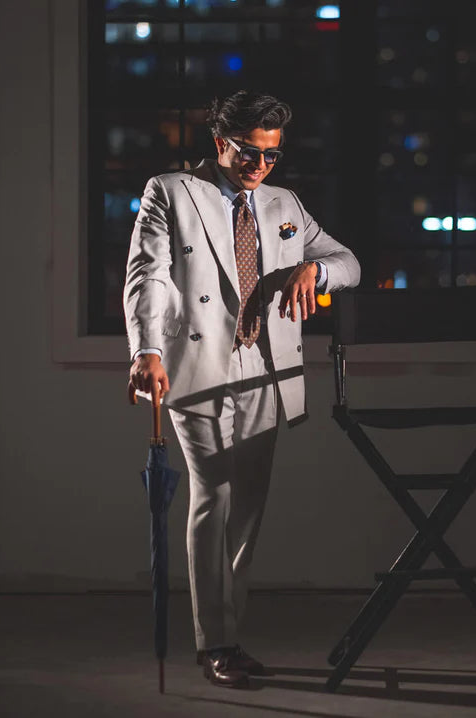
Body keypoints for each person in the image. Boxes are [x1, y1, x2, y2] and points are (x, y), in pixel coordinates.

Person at [124, 90, 361, 688]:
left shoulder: (284, 204)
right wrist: (146, 351)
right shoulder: (172, 192)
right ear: (219, 142)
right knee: (214, 495)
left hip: (266, 368)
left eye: (271, 156)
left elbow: (348, 261)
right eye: (248, 154)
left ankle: (230, 634)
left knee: (248, 508)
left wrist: (316, 269)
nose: (259, 168)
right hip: (198, 369)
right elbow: (147, 275)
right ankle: (218, 643)